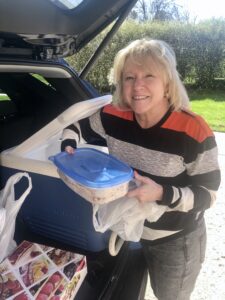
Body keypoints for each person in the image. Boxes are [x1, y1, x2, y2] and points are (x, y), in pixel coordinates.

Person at [61, 39, 221, 300]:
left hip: (176, 241)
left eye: (149, 76)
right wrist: (69, 144)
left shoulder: (193, 130)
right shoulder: (113, 115)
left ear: (167, 82)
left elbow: (208, 195)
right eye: (129, 77)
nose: (137, 86)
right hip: (129, 230)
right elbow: (76, 127)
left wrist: (161, 193)